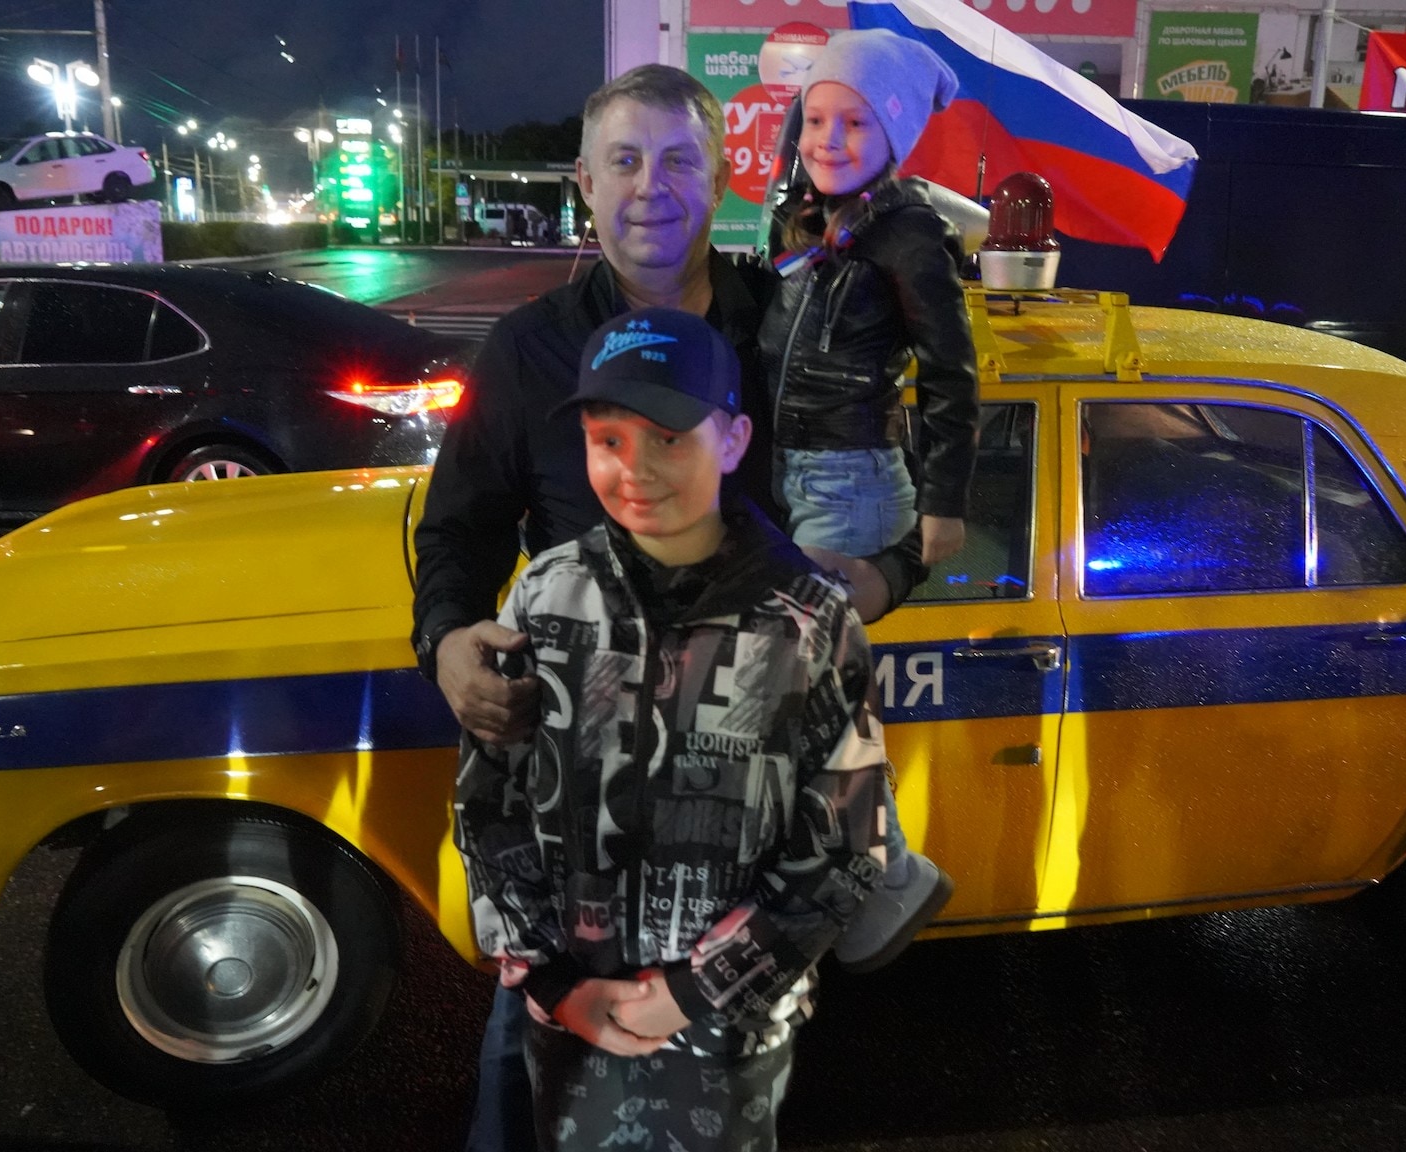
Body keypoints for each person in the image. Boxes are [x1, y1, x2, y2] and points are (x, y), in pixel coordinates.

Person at [410, 65, 929, 1152]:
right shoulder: (529, 350)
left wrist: (886, 575)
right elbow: (456, 530)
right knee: (522, 1106)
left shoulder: (797, 320)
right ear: (585, 182)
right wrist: (449, 638)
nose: (652, 186)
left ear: (723, 174)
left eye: (680, 159)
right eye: (625, 160)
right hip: (575, 818)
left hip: (742, 821)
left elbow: (906, 466)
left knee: (735, 1099)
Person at [453, 306, 886, 1152]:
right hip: (571, 1016)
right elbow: (488, 804)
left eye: (668, 438)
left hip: (730, 1029)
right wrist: (552, 980)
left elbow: (847, 846)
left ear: (733, 441)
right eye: (607, 439)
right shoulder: (546, 597)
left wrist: (695, 990)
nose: (635, 469)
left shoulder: (808, 623)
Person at [757, 28, 979, 967]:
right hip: (788, 478)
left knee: (798, 693)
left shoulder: (907, 231)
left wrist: (943, 503)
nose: (829, 138)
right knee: (799, 693)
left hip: (849, 486)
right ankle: (858, 874)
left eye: (855, 122)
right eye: (816, 119)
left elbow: (952, 373)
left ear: (894, 134)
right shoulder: (806, 218)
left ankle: (887, 877)